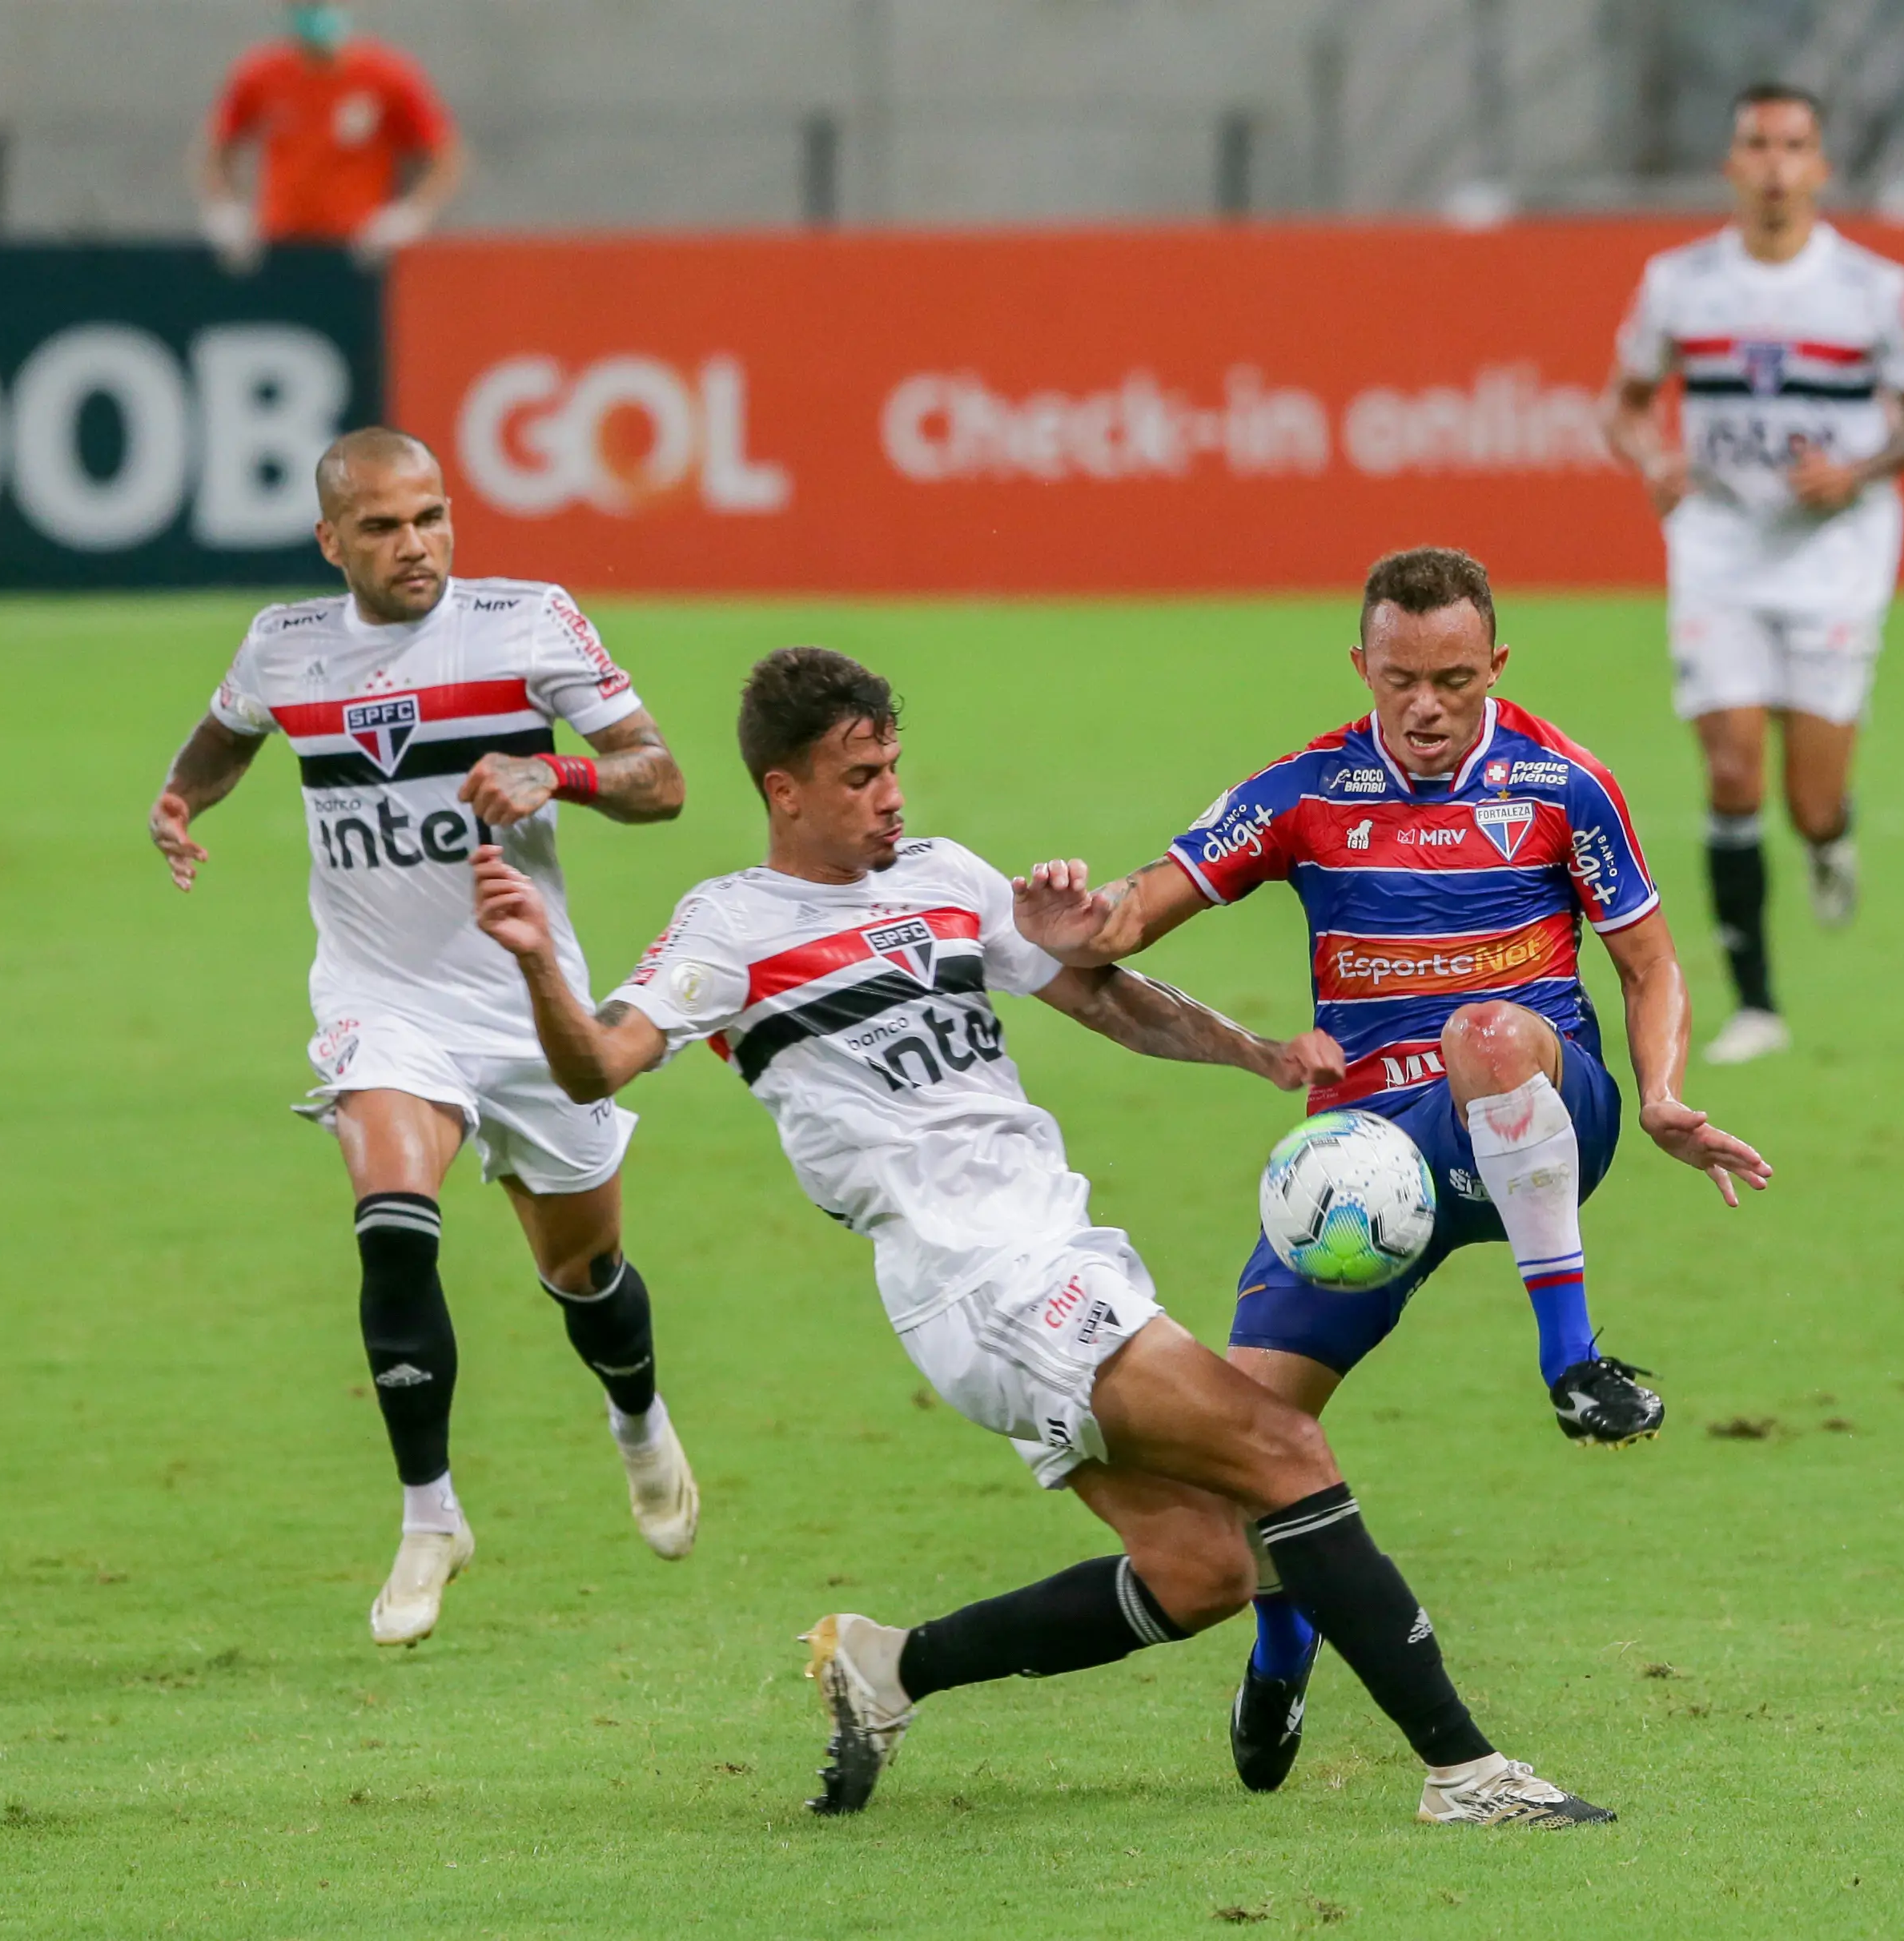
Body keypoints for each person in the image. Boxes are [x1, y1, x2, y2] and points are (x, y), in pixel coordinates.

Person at [476, 645, 1613, 1827]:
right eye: (861, 777)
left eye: (894, 768)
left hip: (1060, 1252)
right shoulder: (728, 929)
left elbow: (1102, 993)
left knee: (1204, 1571)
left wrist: (1257, 1051)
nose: (891, 796)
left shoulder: (944, 876)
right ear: (785, 791)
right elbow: (594, 1064)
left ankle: (887, 1668)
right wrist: (533, 971)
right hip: (980, 1282)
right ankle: (1467, 1773)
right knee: (1284, 1450)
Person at [1009, 545, 1770, 1792]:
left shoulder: (1561, 785)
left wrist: (1668, 1091)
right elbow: (1140, 910)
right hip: (1369, 1163)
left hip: (1541, 1100)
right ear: (1362, 664)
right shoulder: (1306, 789)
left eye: (1457, 680)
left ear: (1496, 668)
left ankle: (1571, 1357)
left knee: (1484, 1029)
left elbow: (1649, 964)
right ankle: (1281, 1646)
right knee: (1246, 1434)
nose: (1427, 707)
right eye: (1403, 678)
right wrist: (1075, 923)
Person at [147, 428, 697, 1647]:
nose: (418, 547)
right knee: (393, 1230)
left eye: (434, 518)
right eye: (387, 527)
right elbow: (232, 731)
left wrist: (562, 777)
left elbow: (660, 777)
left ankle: (638, 1417)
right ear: (331, 540)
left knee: (583, 1274)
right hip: (379, 1001)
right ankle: (429, 1514)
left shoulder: (525, 620)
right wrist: (182, 799)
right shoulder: (285, 644)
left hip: (529, 1003)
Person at [1601, 81, 1904, 1066]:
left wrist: (1861, 467)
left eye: (1793, 145)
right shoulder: (1679, 283)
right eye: (1756, 143)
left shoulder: (1871, 289)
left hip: (1834, 556)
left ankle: (1831, 839)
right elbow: (1625, 403)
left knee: (1807, 798)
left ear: (1821, 167)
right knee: (1728, 769)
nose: (1773, 164)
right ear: (1730, 163)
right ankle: (1756, 1002)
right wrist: (1656, 460)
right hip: (1717, 546)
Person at [196, 3, 464, 272]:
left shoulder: (387, 76)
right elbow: (216, 148)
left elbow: (444, 156)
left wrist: (410, 215)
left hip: (359, 251)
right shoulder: (260, 75)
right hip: (280, 243)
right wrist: (225, 210)